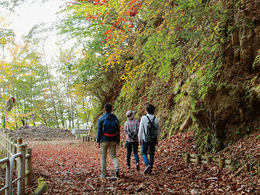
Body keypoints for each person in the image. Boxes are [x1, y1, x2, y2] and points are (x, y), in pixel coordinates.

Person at [97, 103, 120, 178]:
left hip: (104, 139)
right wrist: (118, 140)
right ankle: (116, 169)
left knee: (103, 157)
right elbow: (118, 130)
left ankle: (103, 174)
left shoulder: (101, 118)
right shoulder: (115, 118)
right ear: (111, 109)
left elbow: (99, 130)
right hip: (113, 139)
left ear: (104, 109)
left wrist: (98, 141)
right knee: (113, 156)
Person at [138, 104, 159, 175]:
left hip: (145, 139)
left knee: (144, 152)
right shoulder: (156, 119)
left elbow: (141, 129)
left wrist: (139, 139)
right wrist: (157, 139)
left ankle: (147, 165)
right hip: (153, 139)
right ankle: (150, 171)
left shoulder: (143, 118)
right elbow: (158, 131)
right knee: (151, 154)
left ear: (146, 110)